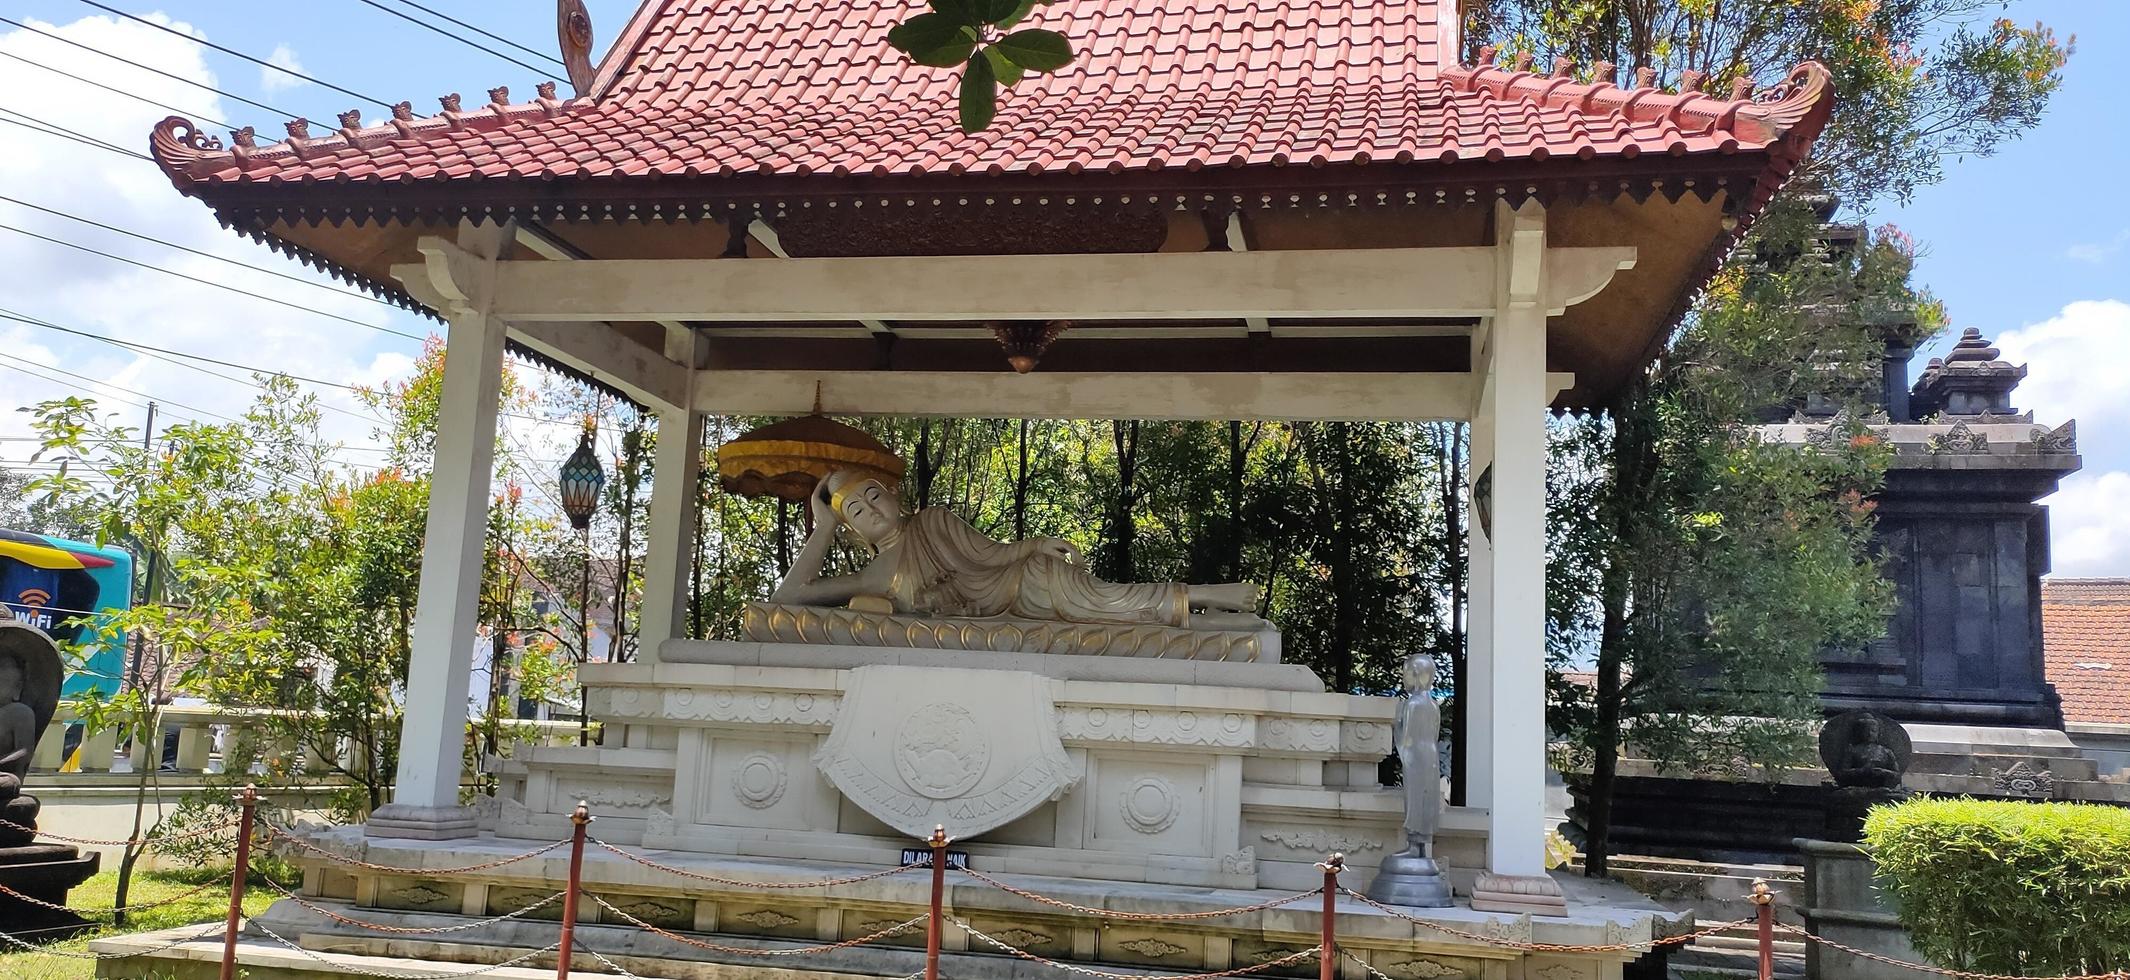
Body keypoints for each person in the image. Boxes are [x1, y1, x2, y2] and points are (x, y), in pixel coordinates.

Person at [773, 469, 1258, 627]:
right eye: (856, 512)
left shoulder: (935, 520)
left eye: (874, 496)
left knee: (1105, 603)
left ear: (895, 495)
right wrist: (821, 528)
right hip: (1002, 613)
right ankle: (1206, 610)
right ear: (853, 531)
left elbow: (991, 555)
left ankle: (1213, 596)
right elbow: (787, 600)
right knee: (1112, 613)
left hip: (1023, 582)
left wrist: (1039, 544)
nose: (872, 511)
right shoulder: (873, 576)